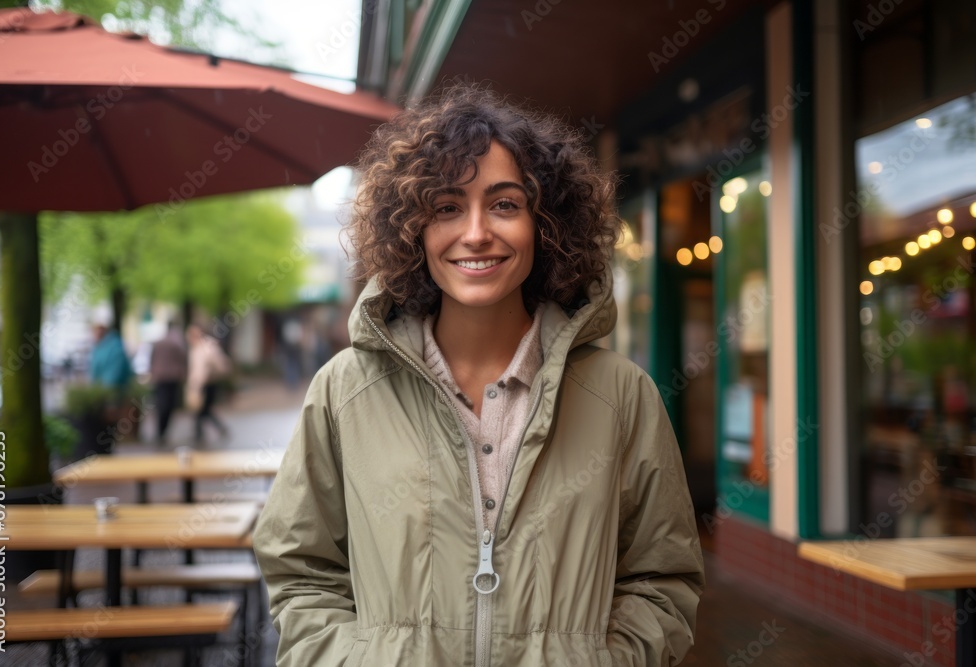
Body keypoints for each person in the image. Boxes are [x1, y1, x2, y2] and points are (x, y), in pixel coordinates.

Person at [254, 84, 704, 666]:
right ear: (411, 228)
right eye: (446, 207)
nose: (475, 232)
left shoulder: (621, 394)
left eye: (504, 204)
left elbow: (662, 579)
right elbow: (300, 572)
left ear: (547, 226)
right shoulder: (345, 390)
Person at [185, 324, 231, 444]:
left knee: (202, 410)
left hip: (205, 383)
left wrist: (196, 384)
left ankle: (200, 433)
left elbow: (202, 369)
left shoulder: (204, 348)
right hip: (205, 382)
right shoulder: (200, 347)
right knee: (202, 410)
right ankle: (201, 432)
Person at [149, 319, 187, 444]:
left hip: (160, 377)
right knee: (169, 405)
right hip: (172, 377)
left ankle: (159, 432)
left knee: (161, 403)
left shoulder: (159, 342)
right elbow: (182, 359)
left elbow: (152, 359)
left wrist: (153, 372)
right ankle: (163, 431)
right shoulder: (177, 343)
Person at [88, 322, 133, 391]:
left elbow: (115, 372)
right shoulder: (99, 347)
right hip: (103, 388)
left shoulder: (114, 346)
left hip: (115, 390)